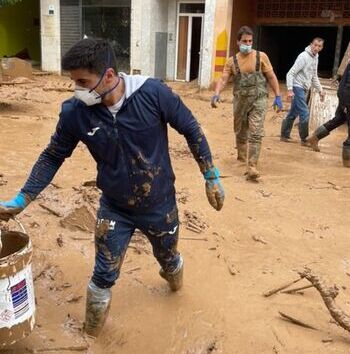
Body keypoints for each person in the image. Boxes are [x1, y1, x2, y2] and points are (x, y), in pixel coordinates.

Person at [0, 39, 225, 338]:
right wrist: (23, 197)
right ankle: (91, 336)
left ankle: (174, 280)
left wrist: (210, 175)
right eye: (74, 82)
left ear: (108, 76)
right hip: (114, 207)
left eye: (83, 82)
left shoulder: (154, 94)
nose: (77, 90)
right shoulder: (75, 113)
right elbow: (53, 155)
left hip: (160, 205)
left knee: (168, 259)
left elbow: (191, 128)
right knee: (103, 274)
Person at [211, 25, 282, 181]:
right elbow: (223, 79)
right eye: (244, 41)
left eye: (250, 41)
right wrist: (216, 94)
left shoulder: (261, 57)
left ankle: (252, 166)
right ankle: (242, 158)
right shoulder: (232, 61)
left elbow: (271, 77)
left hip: (259, 99)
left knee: (256, 132)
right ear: (238, 42)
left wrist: (278, 95)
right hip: (240, 101)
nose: (247, 44)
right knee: (241, 131)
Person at [280, 37, 325, 145]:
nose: (316, 48)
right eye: (315, 45)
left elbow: (314, 76)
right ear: (310, 44)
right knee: (304, 113)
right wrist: (290, 89)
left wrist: (320, 90)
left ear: (322, 48)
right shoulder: (303, 56)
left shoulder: (315, 58)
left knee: (293, 112)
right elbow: (290, 73)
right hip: (297, 86)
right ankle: (305, 139)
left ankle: (284, 135)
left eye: (319, 46)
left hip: (304, 88)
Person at [307, 61, 350, 167]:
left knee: (339, 119)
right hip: (348, 97)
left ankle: (315, 137)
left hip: (344, 95)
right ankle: (347, 158)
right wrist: (346, 103)